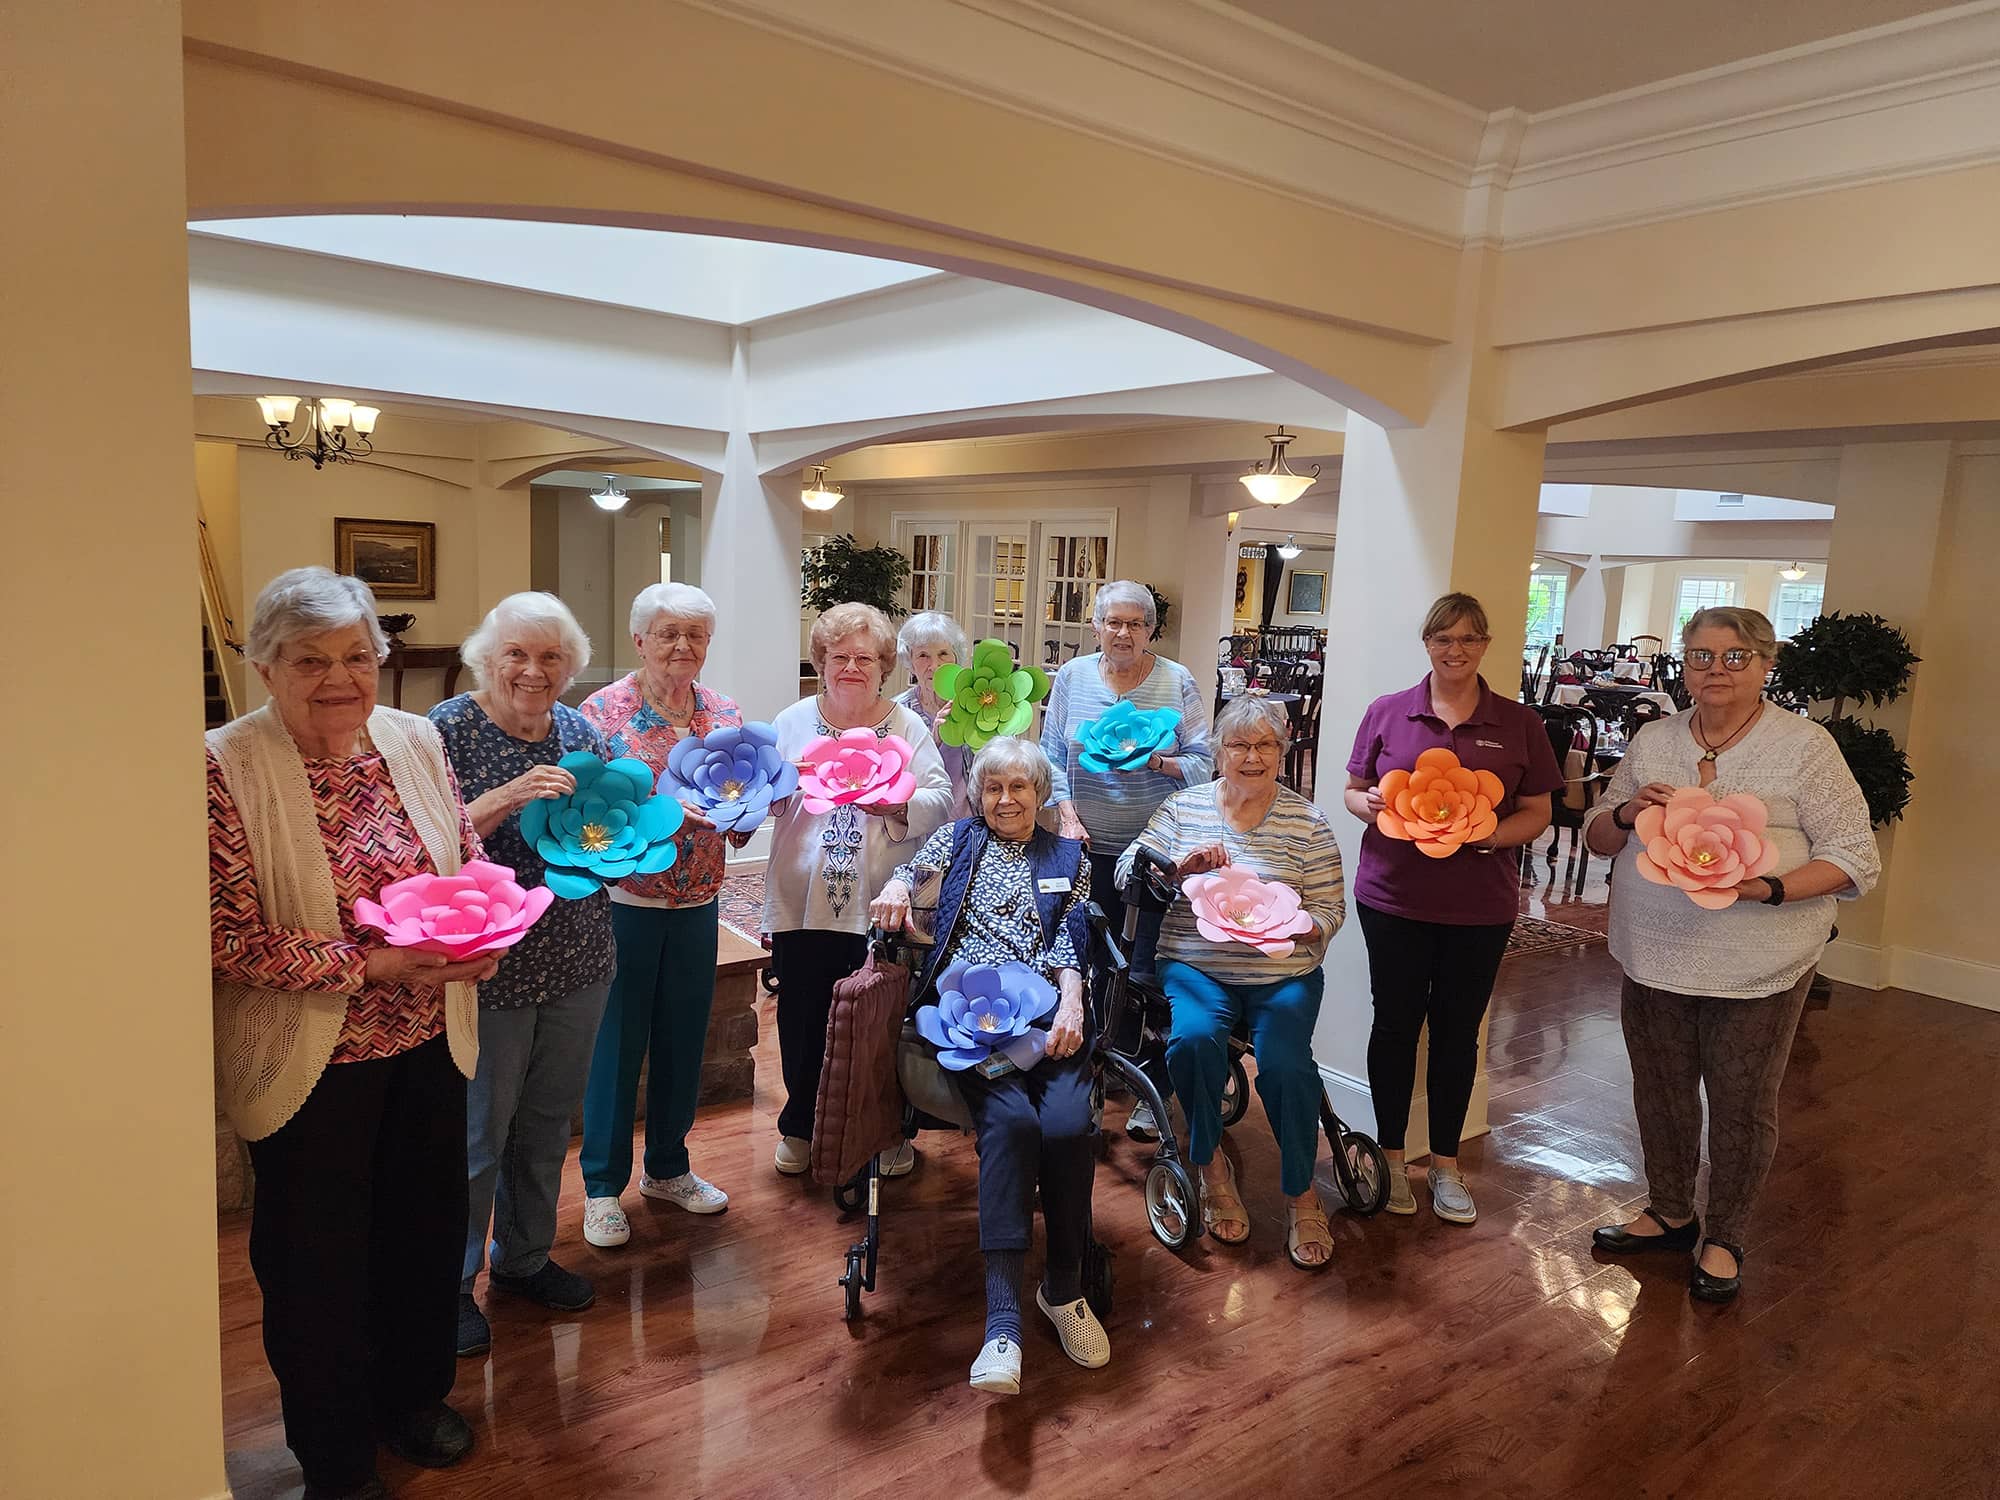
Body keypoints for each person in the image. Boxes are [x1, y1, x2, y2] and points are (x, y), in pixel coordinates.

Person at [209, 568, 492, 1500]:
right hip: (310, 1065)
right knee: (316, 1265)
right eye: (309, 660)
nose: (339, 677)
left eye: (357, 656)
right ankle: (332, 1452)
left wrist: (485, 926)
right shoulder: (222, 766)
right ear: (262, 667)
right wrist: (370, 966)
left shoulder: (412, 737)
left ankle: (413, 1399)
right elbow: (226, 936)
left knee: (423, 1232)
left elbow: (465, 856)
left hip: (427, 1042)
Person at [1583, 606, 1878, 1303]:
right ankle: (1671, 1212)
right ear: (1683, 664)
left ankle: (1726, 1234)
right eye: (1701, 655)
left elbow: (1852, 855)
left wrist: (1764, 888)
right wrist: (1625, 814)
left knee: (1742, 1103)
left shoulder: (1805, 748)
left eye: (1735, 656)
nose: (1716, 669)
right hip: (1651, 952)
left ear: (1766, 664)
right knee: (1660, 1089)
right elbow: (1598, 836)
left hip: (1759, 962)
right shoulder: (1654, 739)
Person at [870, 738, 1107, 1393]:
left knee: (1065, 1126)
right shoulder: (960, 839)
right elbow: (911, 872)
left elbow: (1071, 939)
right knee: (1011, 1124)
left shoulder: (1067, 856)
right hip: (971, 1014)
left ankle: (1062, 1290)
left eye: (1019, 788)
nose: (1006, 800)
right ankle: (1002, 1321)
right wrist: (894, 886)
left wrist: (1073, 1001)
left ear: (1040, 794)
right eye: (994, 788)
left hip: (1045, 1016)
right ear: (978, 793)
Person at [430, 592, 612, 1360]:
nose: (534, 671)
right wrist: (509, 795)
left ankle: (525, 1259)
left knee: (545, 1125)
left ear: (570, 668)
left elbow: (605, 829)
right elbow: (427, 842)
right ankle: (451, 1287)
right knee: (478, 1136)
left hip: (577, 957)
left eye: (551, 657)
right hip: (489, 969)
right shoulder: (447, 730)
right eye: (518, 654)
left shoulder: (580, 731)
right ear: (488, 656)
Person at [1343, 592, 1559, 1225]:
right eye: (1443, 639)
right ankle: (1387, 1157)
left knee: (1458, 1035)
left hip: (1478, 907)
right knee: (1395, 1026)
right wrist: (1376, 810)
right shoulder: (1388, 712)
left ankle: (1445, 1164)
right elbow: (1355, 790)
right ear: (1427, 644)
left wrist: (1484, 836)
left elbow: (1539, 813)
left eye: (1468, 639)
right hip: (1393, 898)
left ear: (1485, 645)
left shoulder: (1519, 723)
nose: (1455, 650)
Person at [1119, 698, 1346, 1268]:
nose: (1252, 756)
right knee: (1193, 1041)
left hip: (1281, 972)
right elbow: (1128, 871)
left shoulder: (1307, 822)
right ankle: (1212, 1165)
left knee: (1289, 1067)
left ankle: (1300, 1192)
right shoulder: (1182, 808)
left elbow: (1330, 908)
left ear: (1282, 751)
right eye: (1239, 745)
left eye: (1265, 745)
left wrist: (1291, 927)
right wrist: (1177, 871)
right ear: (1218, 751)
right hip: (1195, 965)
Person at [576, 583, 744, 1249]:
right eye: (668, 633)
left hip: (700, 900)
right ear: (639, 639)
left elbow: (740, 790)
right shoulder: (600, 714)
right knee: (617, 1045)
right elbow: (583, 812)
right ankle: (600, 1188)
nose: (683, 646)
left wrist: (743, 814)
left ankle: (668, 1169)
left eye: (696, 635)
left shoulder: (725, 712)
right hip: (625, 904)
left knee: (683, 1037)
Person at [766, 602, 952, 1177]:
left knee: (878, 1019)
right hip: (801, 899)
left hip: (878, 899)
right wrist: (764, 799)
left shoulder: (905, 725)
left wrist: (895, 803)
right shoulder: (792, 720)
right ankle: (800, 1124)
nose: (851, 667)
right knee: (801, 1014)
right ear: (820, 661)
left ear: (883, 667)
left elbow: (941, 799)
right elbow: (763, 795)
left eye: (865, 658)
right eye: (839, 656)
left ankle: (885, 1129)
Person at [1040, 578, 1213, 1138]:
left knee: (1149, 969)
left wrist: (1156, 766)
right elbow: (1050, 758)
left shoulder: (1175, 681)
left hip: (1158, 854)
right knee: (1091, 961)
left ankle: (1150, 1084)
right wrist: (1066, 814)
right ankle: (1092, 1071)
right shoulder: (1071, 677)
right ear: (1096, 627)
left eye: (1135, 623)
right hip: (1088, 847)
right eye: (1113, 622)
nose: (1123, 633)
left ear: (1151, 630)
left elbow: (1204, 763)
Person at [893, 609, 974, 820]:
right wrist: (932, 740)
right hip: (917, 827)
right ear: (910, 662)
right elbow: (892, 776)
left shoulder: (976, 704)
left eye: (943, 654)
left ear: (957, 658)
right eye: (923, 655)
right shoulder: (898, 712)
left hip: (968, 824)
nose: (934, 666)